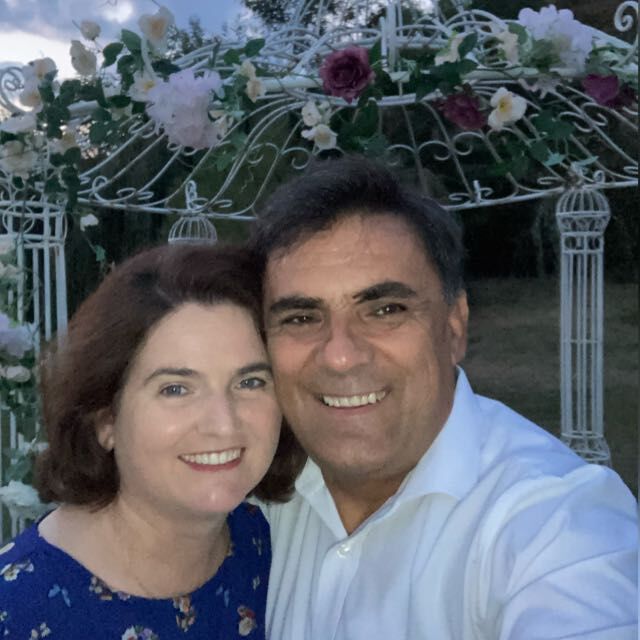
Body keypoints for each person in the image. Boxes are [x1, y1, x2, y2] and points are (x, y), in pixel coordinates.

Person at [250, 155, 638, 640]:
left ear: (454, 327)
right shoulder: (249, 487)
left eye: (385, 310)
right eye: (302, 318)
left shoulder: (556, 521)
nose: (341, 356)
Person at [0, 244, 301, 638]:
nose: (224, 425)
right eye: (176, 389)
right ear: (105, 418)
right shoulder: (17, 610)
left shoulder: (265, 545)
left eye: (250, 382)